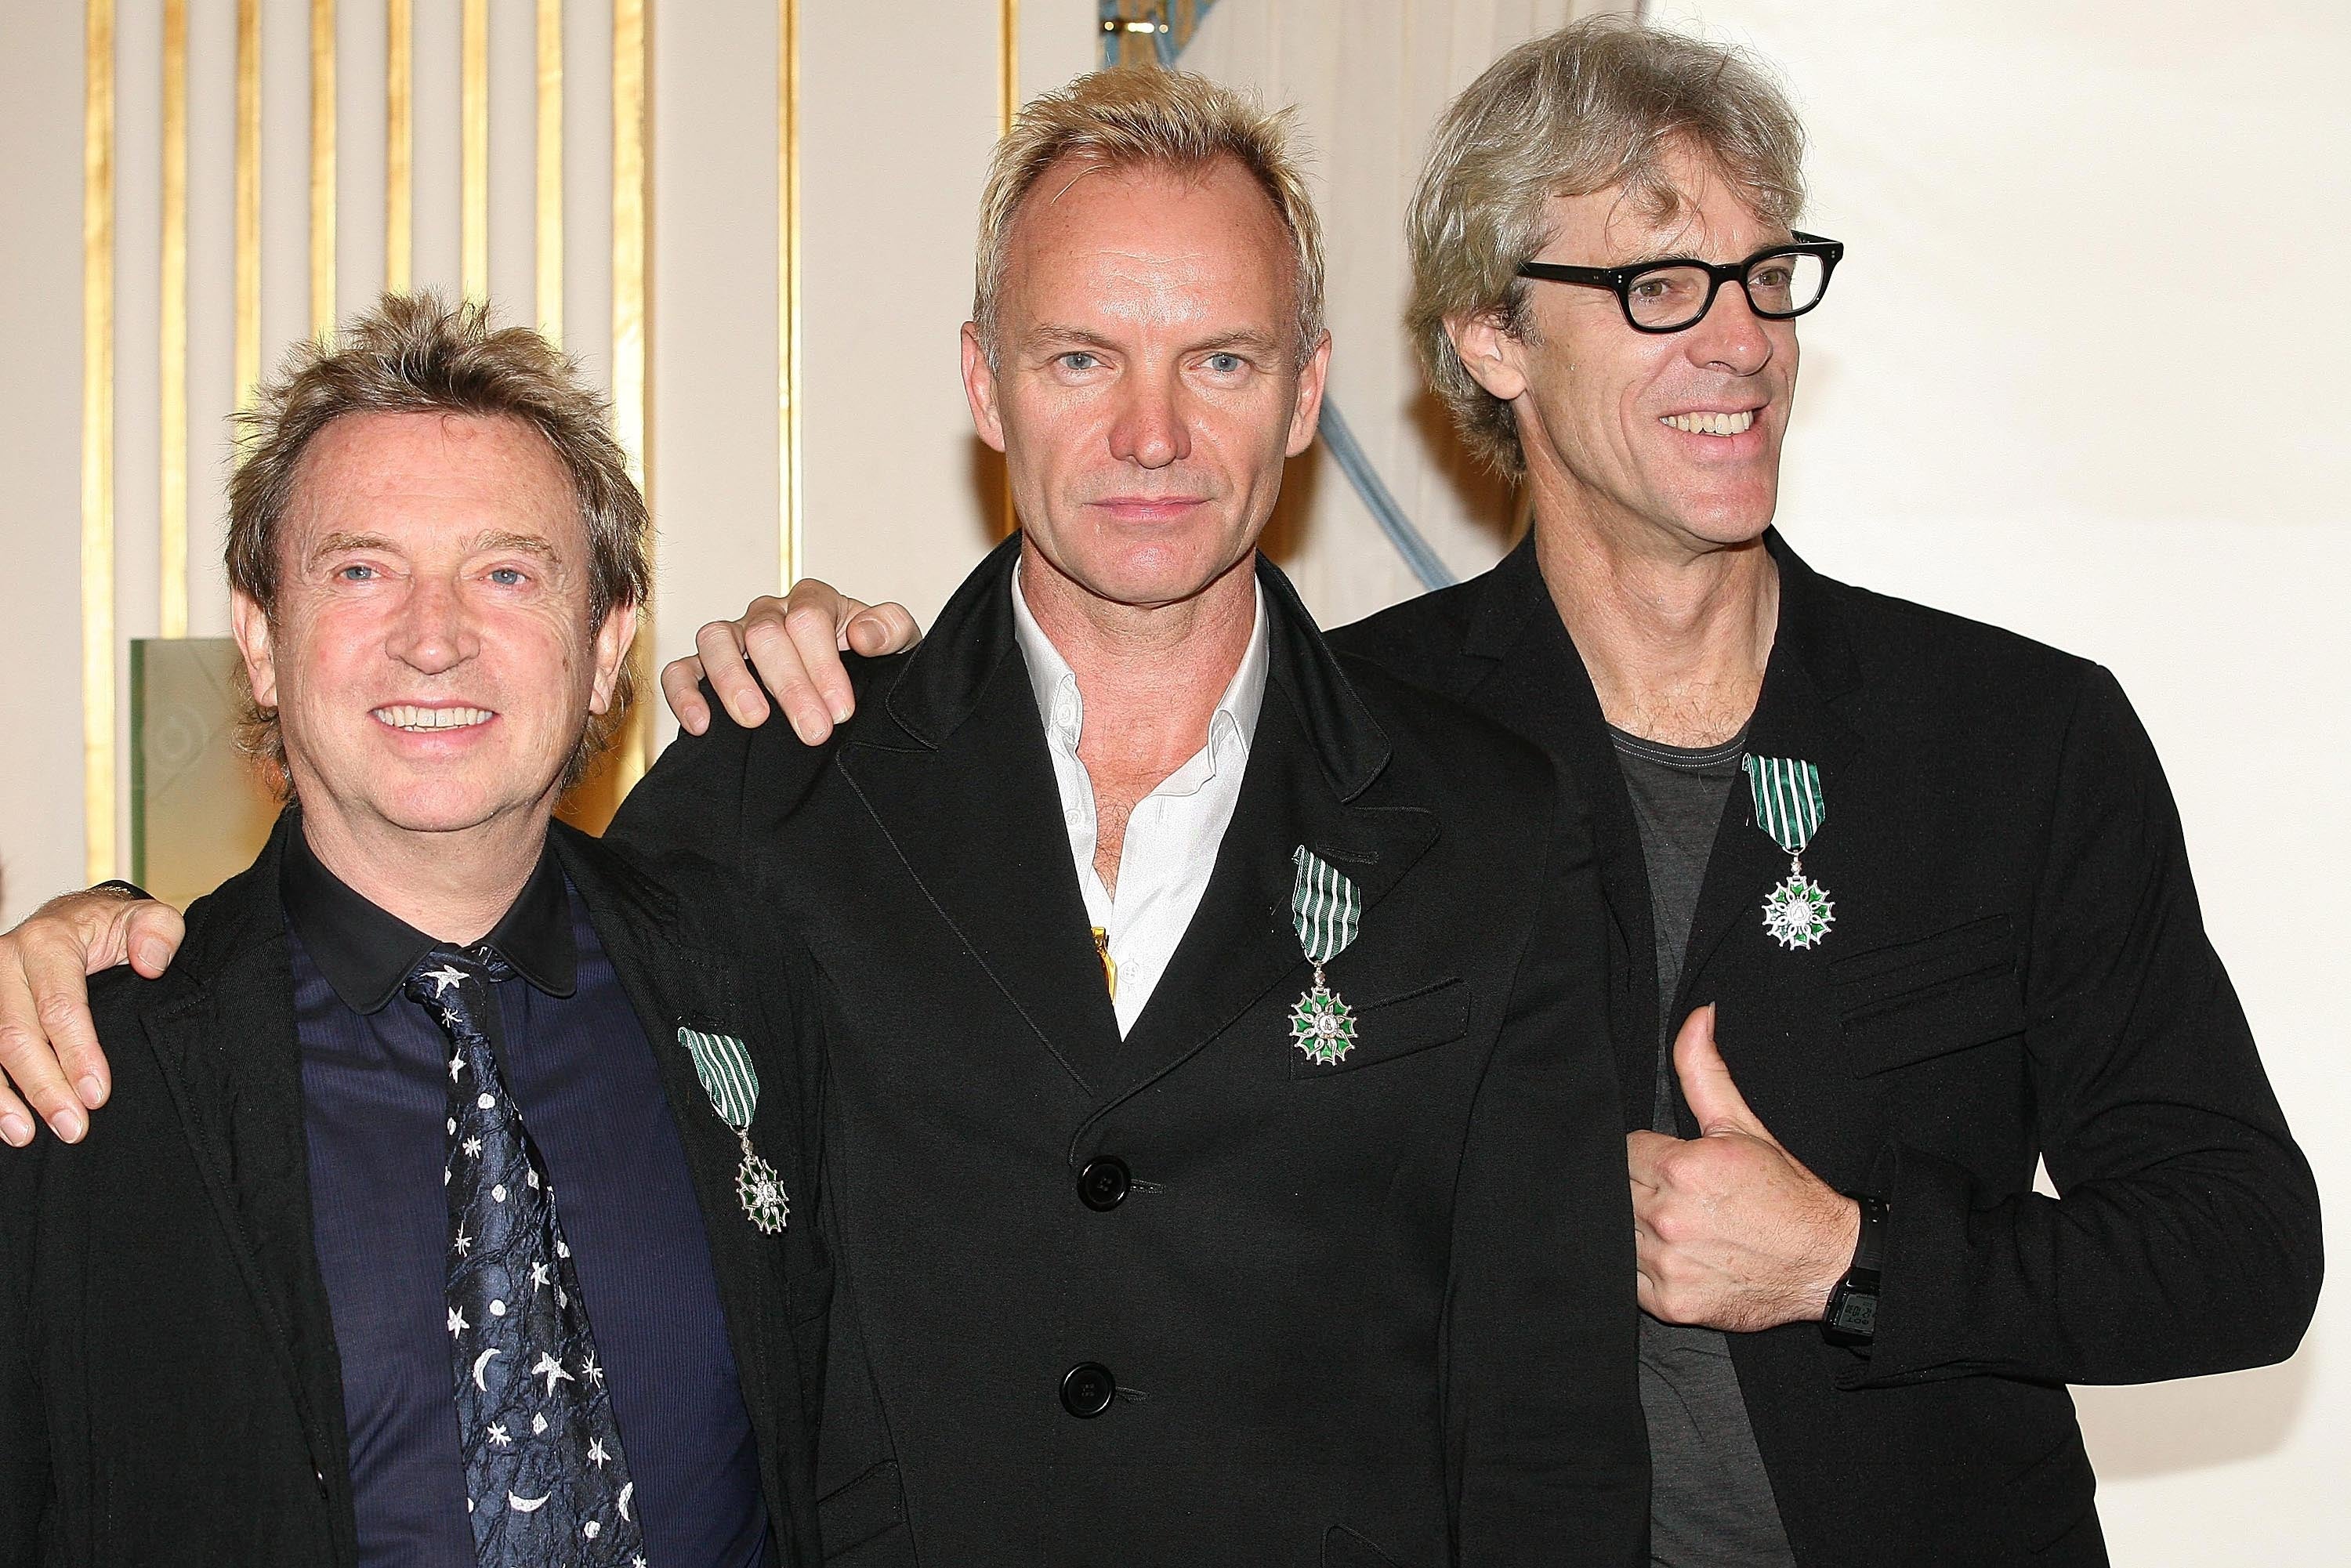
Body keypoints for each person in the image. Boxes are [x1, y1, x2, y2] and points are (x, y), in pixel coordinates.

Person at [657, 20, 2324, 1568]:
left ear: (1297, 387)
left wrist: (1852, 1254)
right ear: (1487, 337)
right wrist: (804, 667)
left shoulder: (2014, 740)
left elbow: (2245, 1247)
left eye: (1764, 275)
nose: (1739, 338)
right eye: (1662, 282)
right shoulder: (1368, 741)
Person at [0, 71, 1647, 1565]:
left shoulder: (1498, 826)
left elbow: (1552, 1428)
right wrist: (99, 944)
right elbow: (450, 899)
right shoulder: (770, 789)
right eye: (1082, 356)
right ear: (983, 385)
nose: (1152, 433)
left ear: (1306, 394)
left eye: (1219, 358)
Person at [0, 296, 827, 1566]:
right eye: (362, 568)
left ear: (607, 647)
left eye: (505, 572)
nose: (432, 638)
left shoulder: (763, 978)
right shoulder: (76, 1085)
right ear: (263, 641)